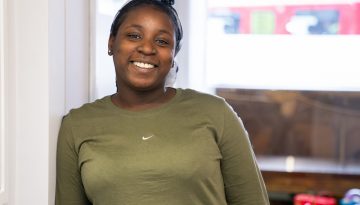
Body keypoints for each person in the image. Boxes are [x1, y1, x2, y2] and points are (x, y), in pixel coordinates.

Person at [55, 0, 270, 204]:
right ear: (111, 42)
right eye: (134, 35)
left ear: (173, 53)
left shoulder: (216, 113)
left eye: (162, 41)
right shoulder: (77, 125)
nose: (147, 48)